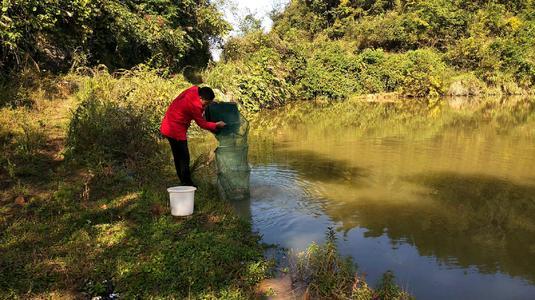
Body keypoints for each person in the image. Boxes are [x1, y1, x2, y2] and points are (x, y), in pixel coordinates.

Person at [160, 86, 225, 187]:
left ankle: (183, 180)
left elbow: (199, 109)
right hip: (174, 130)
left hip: (168, 123)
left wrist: (205, 107)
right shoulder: (194, 106)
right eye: (206, 103)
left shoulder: (193, 90)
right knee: (183, 157)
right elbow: (202, 124)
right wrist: (216, 124)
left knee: (178, 156)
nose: (206, 106)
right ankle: (187, 184)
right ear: (200, 98)